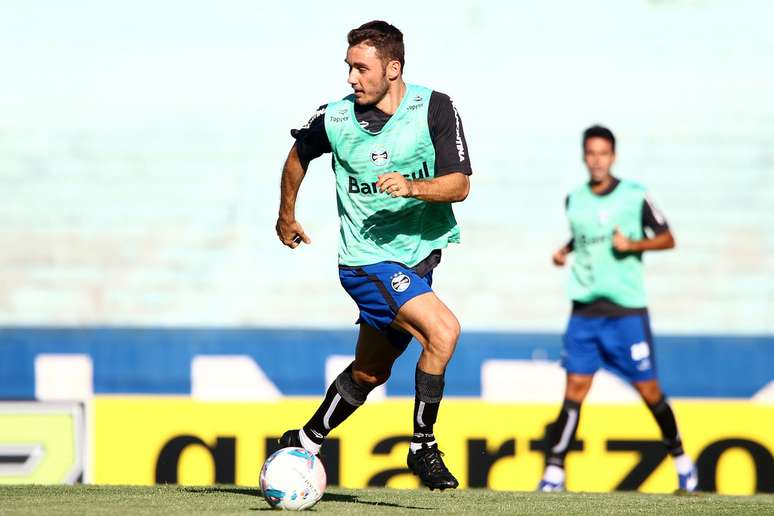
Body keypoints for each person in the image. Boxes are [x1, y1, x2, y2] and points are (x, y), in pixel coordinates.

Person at [274, 20, 472, 491]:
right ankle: (422, 447)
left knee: (370, 371)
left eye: (361, 68)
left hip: (418, 258)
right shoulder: (335, 118)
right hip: (366, 261)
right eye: (348, 68)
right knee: (443, 333)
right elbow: (297, 156)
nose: (351, 78)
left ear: (393, 68)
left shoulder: (435, 109)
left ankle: (305, 437)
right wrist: (286, 216)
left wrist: (412, 187)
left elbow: (459, 184)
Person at [537, 125, 698, 493]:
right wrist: (566, 251)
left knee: (649, 390)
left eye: (603, 153)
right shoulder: (574, 199)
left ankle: (682, 462)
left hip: (626, 312)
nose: (597, 160)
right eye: (591, 153)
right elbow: (584, 234)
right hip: (584, 311)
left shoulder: (634, 195)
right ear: (584, 156)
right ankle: (554, 472)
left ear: (614, 156)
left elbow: (668, 237)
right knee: (575, 387)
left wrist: (635, 245)